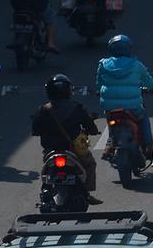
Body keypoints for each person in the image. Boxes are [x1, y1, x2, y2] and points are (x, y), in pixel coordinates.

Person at [31, 74, 102, 205]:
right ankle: (87, 192)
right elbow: (90, 127)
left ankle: (45, 190)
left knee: (46, 170)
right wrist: (92, 131)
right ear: (68, 90)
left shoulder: (43, 109)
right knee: (90, 163)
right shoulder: (77, 108)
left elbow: (34, 130)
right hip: (72, 149)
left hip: (50, 150)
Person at [96, 34, 153, 158]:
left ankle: (111, 143)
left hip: (110, 106)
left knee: (110, 119)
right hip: (133, 106)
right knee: (143, 117)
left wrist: (99, 91)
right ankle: (148, 145)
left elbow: (99, 83)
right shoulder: (136, 64)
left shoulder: (103, 64)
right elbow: (149, 81)